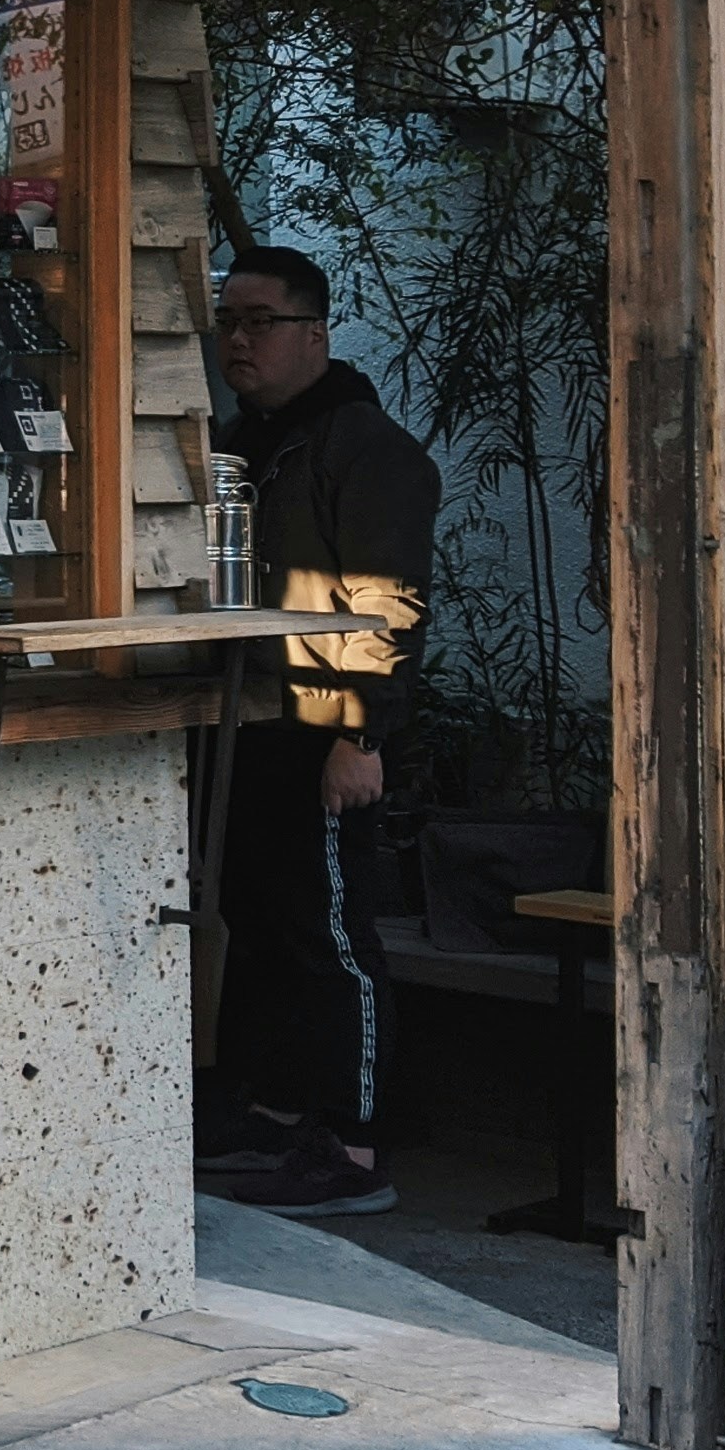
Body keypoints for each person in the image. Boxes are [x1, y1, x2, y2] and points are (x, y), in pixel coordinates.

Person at [196, 245, 441, 1218]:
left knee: (333, 934)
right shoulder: (244, 439)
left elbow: (384, 605)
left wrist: (363, 736)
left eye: (260, 322)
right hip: (249, 722)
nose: (239, 341)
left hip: (327, 725)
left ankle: (354, 1139)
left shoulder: (361, 446)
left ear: (315, 333)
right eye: (228, 323)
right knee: (262, 925)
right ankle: (279, 1113)